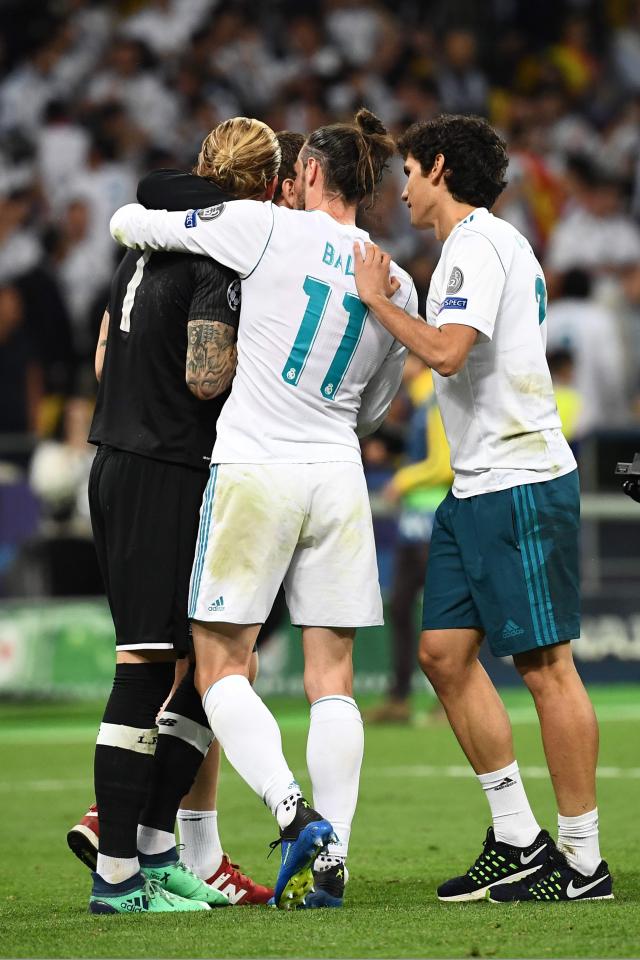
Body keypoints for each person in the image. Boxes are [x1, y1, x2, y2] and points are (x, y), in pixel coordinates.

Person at [109, 108, 418, 909]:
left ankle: (291, 812)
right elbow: (377, 411)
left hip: (254, 468)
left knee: (219, 668)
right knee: (333, 676)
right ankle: (335, 855)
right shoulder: (398, 279)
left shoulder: (263, 227)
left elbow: (133, 220)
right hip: (338, 475)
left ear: (307, 173)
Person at [352, 114, 613, 903]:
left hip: (519, 479)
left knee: (545, 666)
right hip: (475, 486)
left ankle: (581, 860)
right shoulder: (476, 247)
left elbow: (446, 352)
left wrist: (376, 302)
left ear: (437, 168)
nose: (401, 188)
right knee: (441, 654)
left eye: (408, 170)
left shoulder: (478, 247)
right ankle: (517, 837)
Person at [68, 129, 303, 908]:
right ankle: (118, 875)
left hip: (121, 458)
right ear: (267, 186)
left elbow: (106, 360)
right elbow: (207, 379)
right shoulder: (217, 256)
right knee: (144, 668)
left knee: (209, 667)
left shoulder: (141, 242)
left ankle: (155, 845)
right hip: (164, 470)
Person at [366, 358, 452, 724]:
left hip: (433, 517)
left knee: (441, 616)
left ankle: (449, 699)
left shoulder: (433, 396)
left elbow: (444, 463)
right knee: (401, 608)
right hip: (413, 522)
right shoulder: (420, 400)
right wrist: (397, 455)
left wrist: (402, 480)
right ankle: (399, 697)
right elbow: (425, 454)